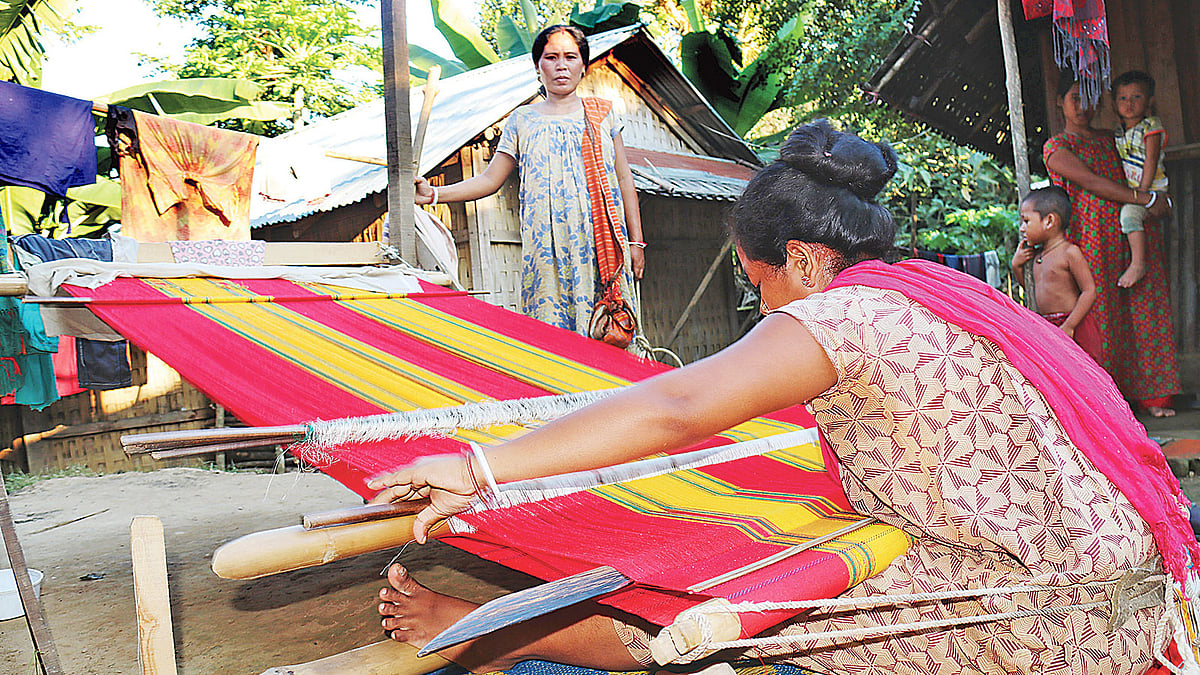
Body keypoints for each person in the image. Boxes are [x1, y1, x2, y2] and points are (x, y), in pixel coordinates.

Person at [369, 120, 1198, 675]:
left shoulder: (838, 312)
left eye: (758, 282)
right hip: (1127, 579)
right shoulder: (938, 291)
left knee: (730, 604)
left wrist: (481, 466)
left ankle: (489, 636)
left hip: (1050, 623)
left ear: (801, 259)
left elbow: (675, 407)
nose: (762, 306)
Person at [414, 25, 646, 337]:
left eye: (570, 57)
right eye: (551, 57)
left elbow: (623, 179)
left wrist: (636, 241)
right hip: (546, 250)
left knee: (611, 331)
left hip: (600, 246)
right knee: (554, 337)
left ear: (583, 67)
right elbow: (489, 180)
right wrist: (433, 195)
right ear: (538, 69)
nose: (561, 65)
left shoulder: (603, 114)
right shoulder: (522, 120)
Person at [1043, 70, 1180, 418]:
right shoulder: (1057, 147)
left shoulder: (1112, 138)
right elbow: (1090, 181)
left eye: (1090, 98)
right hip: (1089, 241)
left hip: (1132, 234)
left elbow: (1144, 164)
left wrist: (1151, 201)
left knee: (1144, 313)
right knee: (1101, 317)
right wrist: (1145, 199)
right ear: (1060, 101)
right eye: (1075, 98)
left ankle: (1155, 398)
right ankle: (1108, 403)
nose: (1082, 106)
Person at [1010, 185, 1104, 364]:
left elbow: (1089, 291)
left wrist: (1069, 325)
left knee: (1083, 372)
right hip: (1049, 327)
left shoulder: (1069, 252)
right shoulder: (1036, 257)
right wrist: (1016, 267)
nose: (1022, 228)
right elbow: (1033, 291)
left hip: (1075, 324)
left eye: (1026, 221)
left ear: (1049, 221)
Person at [1111, 70, 1170, 289]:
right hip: (1137, 193)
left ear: (1149, 101)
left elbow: (1151, 160)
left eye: (1136, 97)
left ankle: (1138, 264)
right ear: (1114, 103)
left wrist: (1143, 195)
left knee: (1128, 216)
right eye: (1123, 98)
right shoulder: (1119, 132)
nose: (1129, 104)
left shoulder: (1151, 126)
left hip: (1151, 190)